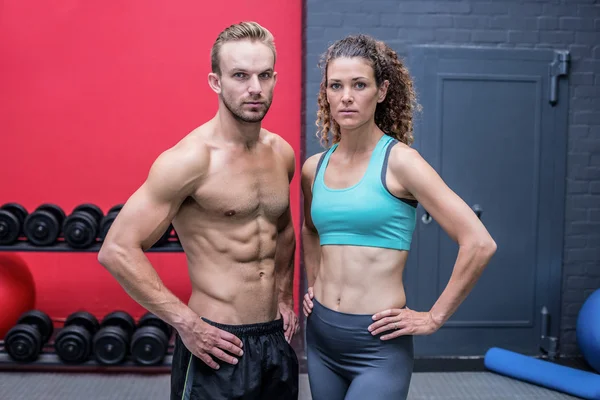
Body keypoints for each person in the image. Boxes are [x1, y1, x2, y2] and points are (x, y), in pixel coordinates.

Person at [98, 21, 300, 400]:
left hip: (273, 341)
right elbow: (117, 249)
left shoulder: (281, 153)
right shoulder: (190, 161)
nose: (255, 88)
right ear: (215, 82)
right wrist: (187, 323)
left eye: (264, 75)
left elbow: (283, 230)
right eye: (240, 75)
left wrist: (286, 296)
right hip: (216, 344)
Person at [301, 34, 497, 400]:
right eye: (336, 85)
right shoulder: (315, 168)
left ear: (382, 90)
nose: (346, 96)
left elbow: (479, 242)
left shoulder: (401, 162)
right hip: (321, 336)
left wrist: (433, 317)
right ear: (325, 93)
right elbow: (310, 230)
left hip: (377, 345)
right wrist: (314, 283)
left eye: (359, 84)